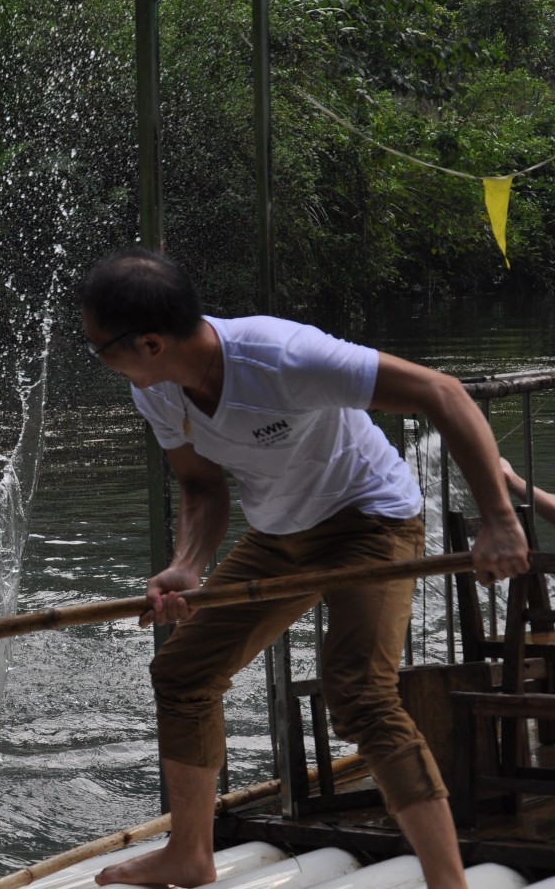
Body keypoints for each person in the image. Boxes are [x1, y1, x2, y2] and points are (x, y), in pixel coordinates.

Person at [80, 247, 528, 889]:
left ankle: (448, 883)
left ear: (149, 342)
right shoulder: (155, 389)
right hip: (281, 533)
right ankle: (189, 852)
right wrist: (186, 567)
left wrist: (499, 520)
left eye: (101, 348)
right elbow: (203, 489)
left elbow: (442, 393)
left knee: (359, 693)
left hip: (372, 521)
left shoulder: (281, 356)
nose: (101, 361)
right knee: (183, 672)